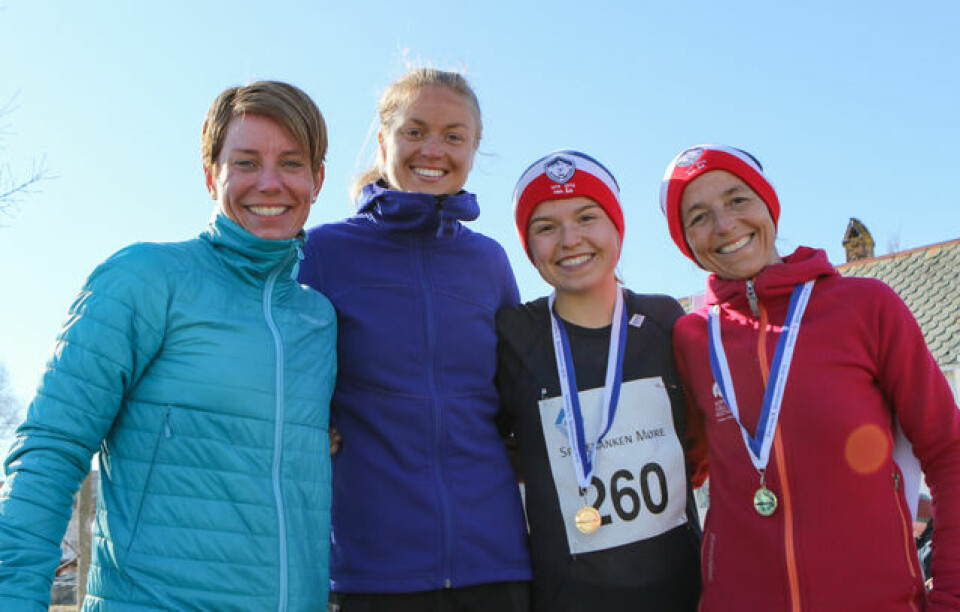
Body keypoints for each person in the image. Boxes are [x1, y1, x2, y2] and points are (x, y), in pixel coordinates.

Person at [0, 81, 337, 611]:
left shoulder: (320, 320)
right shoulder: (145, 279)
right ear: (211, 176)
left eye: (292, 164)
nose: (270, 183)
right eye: (246, 162)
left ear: (317, 180)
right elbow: (50, 449)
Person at [660, 143, 960, 611]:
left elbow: (949, 452)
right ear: (686, 242)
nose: (724, 225)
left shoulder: (865, 306)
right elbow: (681, 464)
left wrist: (951, 595)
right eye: (698, 216)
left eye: (738, 199)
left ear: (768, 205)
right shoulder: (691, 338)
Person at [297, 68, 531, 611]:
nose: (434, 149)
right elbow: (287, 377)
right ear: (383, 142)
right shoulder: (324, 253)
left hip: (494, 562)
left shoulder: (489, 261)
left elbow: (517, 392)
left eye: (454, 136)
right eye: (415, 130)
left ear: (474, 148)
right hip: (372, 570)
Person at [496, 150, 702, 611]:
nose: (570, 240)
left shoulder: (664, 318)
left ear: (616, 227)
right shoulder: (512, 335)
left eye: (587, 217)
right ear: (528, 245)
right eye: (546, 226)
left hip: (683, 591)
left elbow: (702, 434)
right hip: (569, 598)